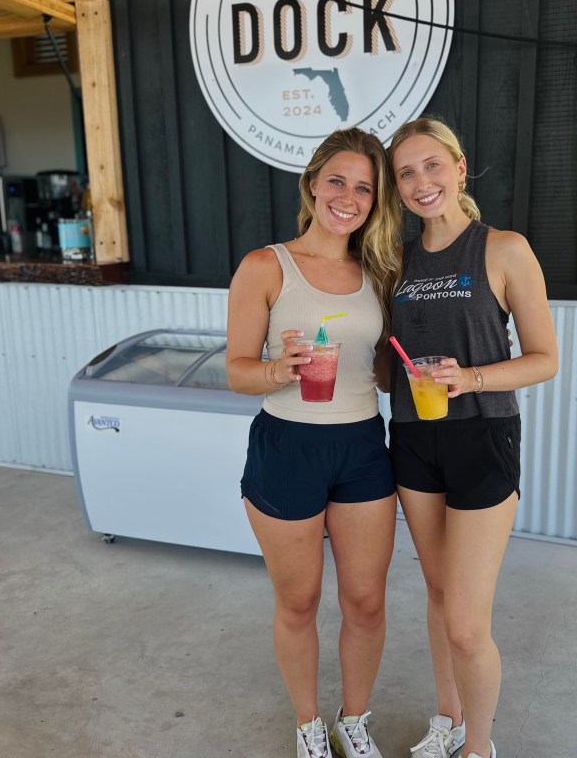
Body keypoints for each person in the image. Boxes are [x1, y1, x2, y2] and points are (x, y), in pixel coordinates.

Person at [385, 117, 559, 758]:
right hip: (412, 437)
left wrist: (474, 376)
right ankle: (448, 719)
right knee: (435, 594)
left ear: (460, 168)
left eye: (432, 165)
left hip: (482, 437)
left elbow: (545, 358)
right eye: (406, 172)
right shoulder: (395, 260)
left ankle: (479, 747)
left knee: (464, 623)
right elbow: (386, 364)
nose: (420, 181)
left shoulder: (503, 248)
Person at [226, 128, 401, 758]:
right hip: (287, 445)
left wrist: (413, 371)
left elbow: (379, 370)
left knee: (366, 601)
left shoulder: (379, 271)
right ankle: (309, 725)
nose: (349, 196)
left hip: (360, 445)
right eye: (338, 180)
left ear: (375, 202)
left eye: (364, 187)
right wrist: (280, 367)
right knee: (299, 602)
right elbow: (237, 370)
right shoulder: (265, 266)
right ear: (311, 184)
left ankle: (354, 720)